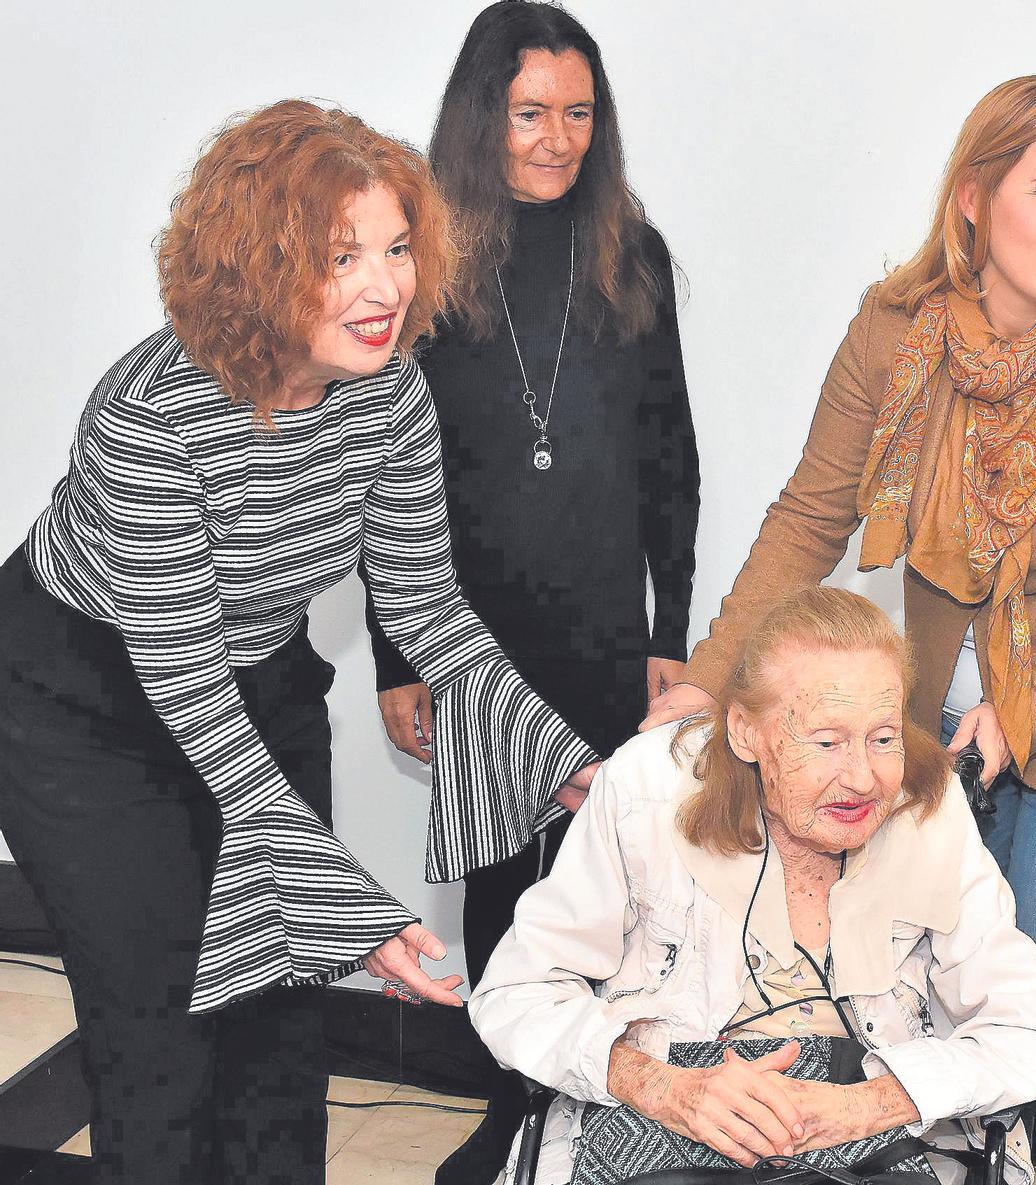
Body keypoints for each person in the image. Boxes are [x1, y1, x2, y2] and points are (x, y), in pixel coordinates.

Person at [0, 100, 597, 1185]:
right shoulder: (149, 416)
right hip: (79, 703)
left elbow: (426, 604)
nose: (386, 287)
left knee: (280, 1019)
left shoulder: (392, 397)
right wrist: (345, 902)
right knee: (163, 1024)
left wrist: (564, 766)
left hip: (256, 669)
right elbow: (182, 686)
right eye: (342, 257)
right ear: (256, 269)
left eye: (398, 248)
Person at [643, 75, 1036, 1185]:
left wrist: (1023, 710)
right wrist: (708, 682)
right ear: (973, 199)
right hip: (933, 729)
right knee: (935, 999)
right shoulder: (898, 333)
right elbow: (811, 516)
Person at [362, 3, 699, 1178]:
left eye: (577, 113)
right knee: (505, 886)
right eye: (528, 113)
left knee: (612, 884)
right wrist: (395, 654)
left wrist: (674, 632)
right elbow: (379, 474)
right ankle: (514, 1113)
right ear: (480, 118)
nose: (555, 138)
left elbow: (672, 460)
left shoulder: (633, 254)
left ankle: (599, 1113)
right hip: (468, 635)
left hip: (609, 632)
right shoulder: (424, 262)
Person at [472, 588, 1036, 1185]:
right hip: (672, 1098)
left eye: (883, 736)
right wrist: (663, 1088)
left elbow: (1030, 1034)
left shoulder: (927, 806)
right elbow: (513, 994)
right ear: (745, 732)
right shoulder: (645, 789)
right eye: (826, 741)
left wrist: (862, 1107)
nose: (862, 777)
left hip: (865, 1109)